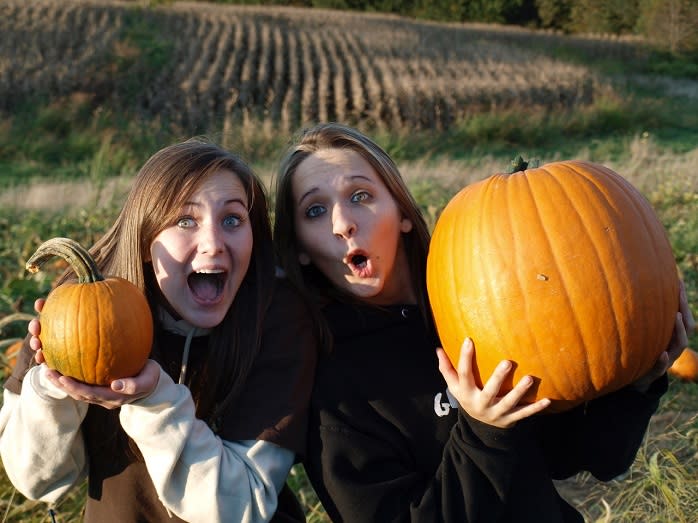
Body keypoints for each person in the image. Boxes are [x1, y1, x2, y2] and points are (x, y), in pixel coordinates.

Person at [272, 122, 695, 522]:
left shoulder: (486, 301)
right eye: (314, 210)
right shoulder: (330, 390)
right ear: (301, 249)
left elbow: (585, 457)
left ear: (401, 211)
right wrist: (485, 431)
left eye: (360, 196)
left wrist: (635, 384)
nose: (343, 223)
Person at [0, 139, 318, 522]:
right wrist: (54, 388)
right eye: (185, 221)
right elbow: (38, 482)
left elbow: (243, 505)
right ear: (146, 236)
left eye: (233, 219)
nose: (214, 243)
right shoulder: (77, 307)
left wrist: (155, 400)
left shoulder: (275, 317)